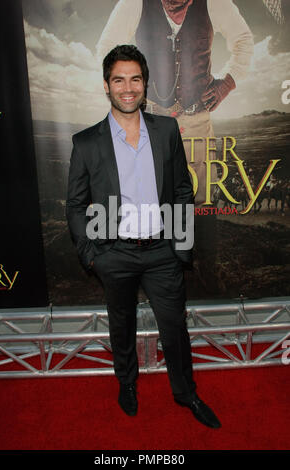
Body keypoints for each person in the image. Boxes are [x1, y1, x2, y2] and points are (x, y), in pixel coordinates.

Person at [66, 44, 221, 428]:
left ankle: (186, 394)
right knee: (122, 325)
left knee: (175, 328)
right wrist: (91, 254)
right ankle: (127, 385)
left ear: (145, 84)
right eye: (119, 79)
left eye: (135, 78)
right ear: (107, 85)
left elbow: (183, 190)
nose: (128, 87)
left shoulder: (166, 129)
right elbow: (74, 205)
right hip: (113, 252)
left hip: (162, 252)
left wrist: (182, 246)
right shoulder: (86, 143)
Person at [96, 0, 254, 295]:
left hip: (197, 118)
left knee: (203, 200)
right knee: (151, 199)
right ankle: (159, 277)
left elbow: (243, 39)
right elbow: (107, 47)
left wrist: (227, 83)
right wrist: (130, 92)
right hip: (151, 119)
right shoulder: (134, 3)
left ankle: (207, 273)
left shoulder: (215, 2)